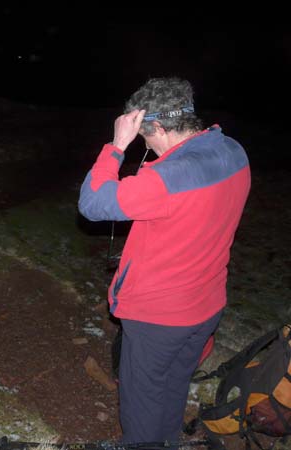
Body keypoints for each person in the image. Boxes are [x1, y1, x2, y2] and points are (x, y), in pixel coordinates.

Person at [77, 77, 250, 443]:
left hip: (159, 317)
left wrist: (116, 145)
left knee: (141, 402)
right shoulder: (234, 152)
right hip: (206, 306)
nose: (147, 145)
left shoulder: (166, 177)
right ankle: (168, 439)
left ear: (155, 126)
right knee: (172, 385)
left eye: (145, 136)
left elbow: (92, 203)